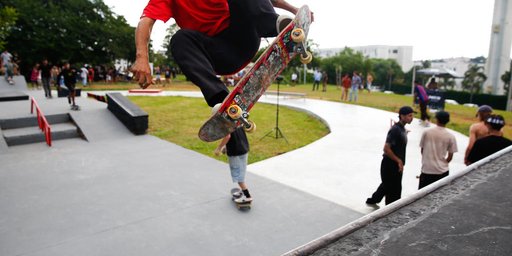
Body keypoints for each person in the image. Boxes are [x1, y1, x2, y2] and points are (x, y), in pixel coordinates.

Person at [131, 0, 303, 107]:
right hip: (218, 54)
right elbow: (146, 22)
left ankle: (276, 25)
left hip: (244, 36)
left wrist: (295, 11)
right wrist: (142, 58)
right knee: (180, 39)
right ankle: (222, 101)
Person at [366, 106, 414, 205]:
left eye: (412, 115)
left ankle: (374, 199)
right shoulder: (395, 130)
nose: (412, 118)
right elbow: (386, 148)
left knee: (388, 185)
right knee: (393, 191)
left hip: (396, 164)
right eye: (409, 115)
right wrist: (398, 161)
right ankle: (390, 212)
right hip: (390, 164)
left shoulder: (402, 129)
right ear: (402, 116)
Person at [418, 111, 458, 189]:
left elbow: (422, 150)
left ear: (436, 119)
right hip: (442, 171)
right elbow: (450, 156)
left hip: (427, 170)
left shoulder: (427, 132)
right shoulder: (451, 136)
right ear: (448, 121)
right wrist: (443, 163)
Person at [214, 128, 252, 203]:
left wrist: (219, 147)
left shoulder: (224, 123)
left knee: (238, 176)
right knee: (241, 172)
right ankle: (242, 191)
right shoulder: (236, 118)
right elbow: (235, 134)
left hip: (235, 152)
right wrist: (226, 146)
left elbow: (227, 136)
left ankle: (247, 196)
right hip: (244, 148)